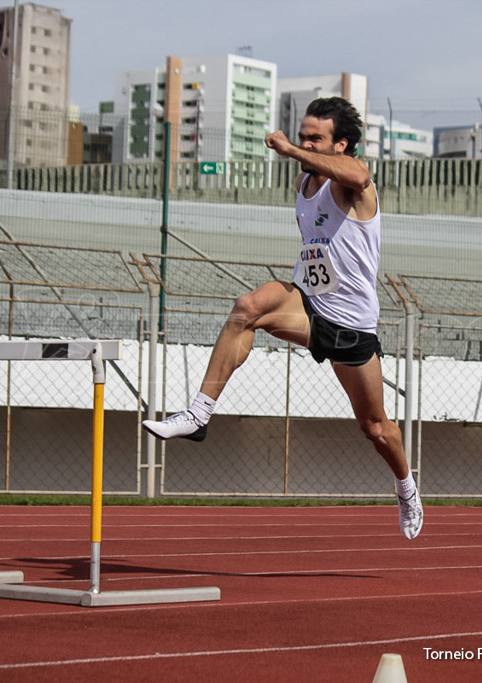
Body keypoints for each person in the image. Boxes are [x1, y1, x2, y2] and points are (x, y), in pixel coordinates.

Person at [142, 97, 423, 539]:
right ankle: (198, 416)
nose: (304, 142)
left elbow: (360, 174)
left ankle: (405, 486)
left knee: (376, 428)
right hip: (310, 306)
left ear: (341, 145)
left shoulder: (352, 182)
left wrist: (293, 149)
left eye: (316, 138)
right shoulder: (303, 185)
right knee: (247, 308)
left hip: (352, 325)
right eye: (302, 134)